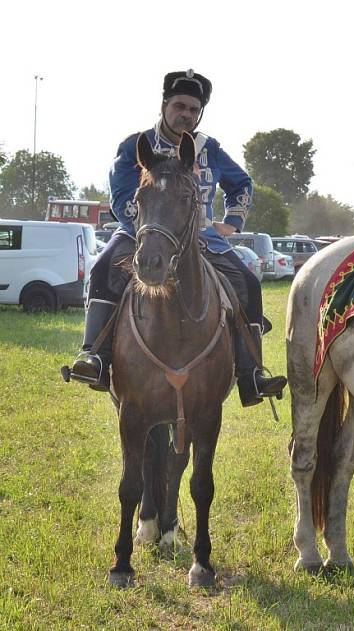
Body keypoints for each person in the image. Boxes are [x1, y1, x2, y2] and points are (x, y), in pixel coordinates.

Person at [67, 69, 286, 407]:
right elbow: (121, 194)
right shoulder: (135, 146)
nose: (186, 114)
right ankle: (95, 358)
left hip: (202, 240)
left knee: (248, 282)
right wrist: (149, 229)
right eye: (180, 106)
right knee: (102, 268)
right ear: (165, 104)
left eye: (194, 110)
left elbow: (242, 183)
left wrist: (231, 222)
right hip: (142, 234)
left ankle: (251, 374)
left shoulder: (209, 149)